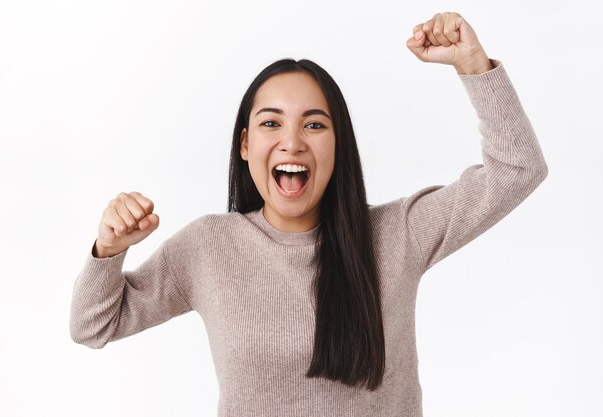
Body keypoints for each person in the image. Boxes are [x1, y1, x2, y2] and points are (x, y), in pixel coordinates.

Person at [69, 12, 548, 416]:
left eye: (314, 124)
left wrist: (473, 65)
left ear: (338, 145)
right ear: (245, 145)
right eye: (271, 122)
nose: (292, 141)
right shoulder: (207, 247)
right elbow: (95, 326)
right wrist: (107, 252)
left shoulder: (396, 234)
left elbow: (518, 169)